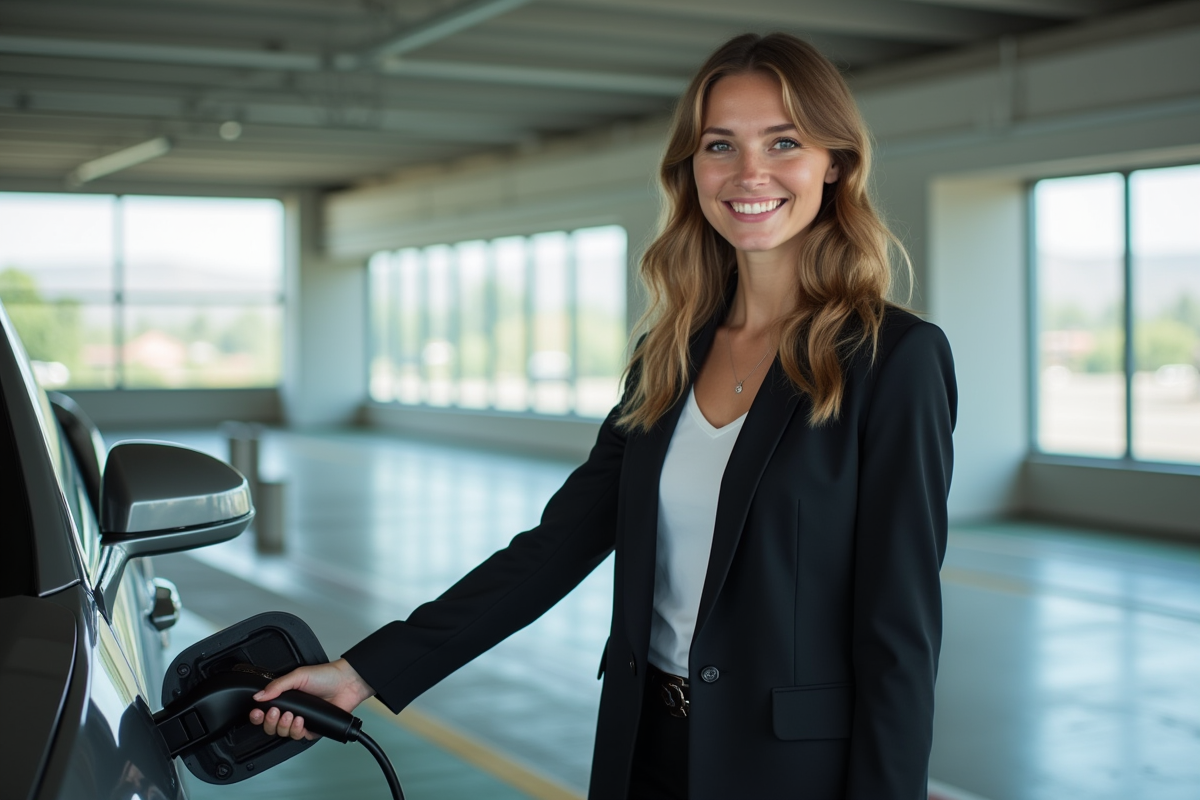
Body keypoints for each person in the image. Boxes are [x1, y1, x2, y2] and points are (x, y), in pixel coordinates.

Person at [249, 31, 956, 800]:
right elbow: (556, 547)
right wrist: (363, 672)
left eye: (783, 142)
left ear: (835, 163)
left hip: (791, 772)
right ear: (692, 171)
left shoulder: (895, 360)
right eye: (721, 145)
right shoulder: (670, 352)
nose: (750, 172)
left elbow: (898, 637)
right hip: (642, 750)